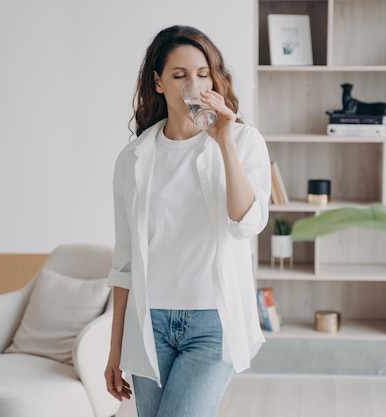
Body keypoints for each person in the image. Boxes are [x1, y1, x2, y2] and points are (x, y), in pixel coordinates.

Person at [104, 25, 271, 417]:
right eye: (179, 75)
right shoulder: (133, 159)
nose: (192, 86)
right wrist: (115, 350)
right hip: (150, 324)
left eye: (202, 74)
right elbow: (124, 263)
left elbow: (246, 224)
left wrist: (224, 140)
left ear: (214, 79)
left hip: (213, 322)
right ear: (158, 83)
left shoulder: (244, 142)